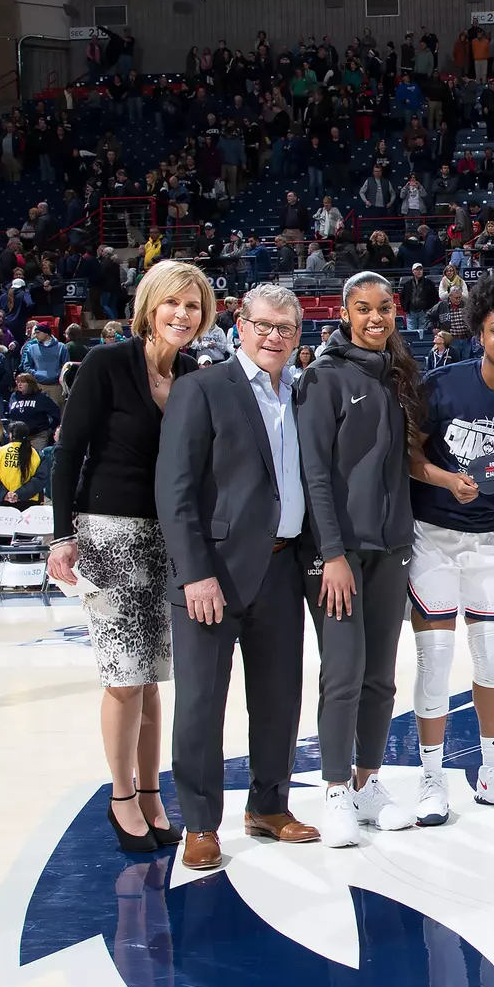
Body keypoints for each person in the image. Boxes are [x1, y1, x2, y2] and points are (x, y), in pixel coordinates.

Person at [46, 259, 210, 853]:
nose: (182, 314)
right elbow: (69, 453)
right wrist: (61, 535)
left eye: (193, 306)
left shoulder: (192, 374)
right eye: (172, 303)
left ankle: (150, 793)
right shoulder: (106, 363)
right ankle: (121, 798)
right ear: (149, 306)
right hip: (109, 534)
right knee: (124, 678)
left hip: (169, 539)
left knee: (153, 679)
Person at [156, 283, 320, 871]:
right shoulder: (202, 388)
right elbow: (174, 489)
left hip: (283, 566)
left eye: (286, 328)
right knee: (201, 703)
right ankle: (200, 824)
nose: (275, 337)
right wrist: (194, 573)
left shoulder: (303, 392)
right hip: (213, 573)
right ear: (240, 326)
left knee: (279, 696)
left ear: (298, 335)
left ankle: (268, 806)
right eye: (264, 325)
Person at [407, 275, 494, 823]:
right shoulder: (441, 384)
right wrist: (446, 480)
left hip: (491, 539)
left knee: (491, 659)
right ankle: (431, 778)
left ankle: (492, 771)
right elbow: (410, 456)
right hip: (433, 536)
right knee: (435, 661)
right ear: (480, 332)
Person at [295, 271, 424, 849]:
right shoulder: (322, 377)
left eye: (385, 308)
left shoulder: (397, 376)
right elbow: (314, 475)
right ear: (345, 314)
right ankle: (334, 790)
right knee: (343, 672)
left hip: (391, 548)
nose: (376, 318)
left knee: (380, 677)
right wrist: (332, 553)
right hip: (339, 553)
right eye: (364, 309)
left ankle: (368, 782)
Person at [0, 420, 49, 506]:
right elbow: (40, 479)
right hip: (30, 503)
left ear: (10, 435)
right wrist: (19, 494)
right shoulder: (37, 455)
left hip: (3, 502)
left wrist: (4, 494)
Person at [6, 372, 60, 449]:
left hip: (38, 436)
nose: (19, 384)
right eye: (18, 382)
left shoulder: (41, 397)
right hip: (18, 437)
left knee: (37, 456)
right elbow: (11, 414)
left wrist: (51, 428)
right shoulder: (14, 396)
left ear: (30, 384)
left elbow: (56, 411)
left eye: (23, 382)